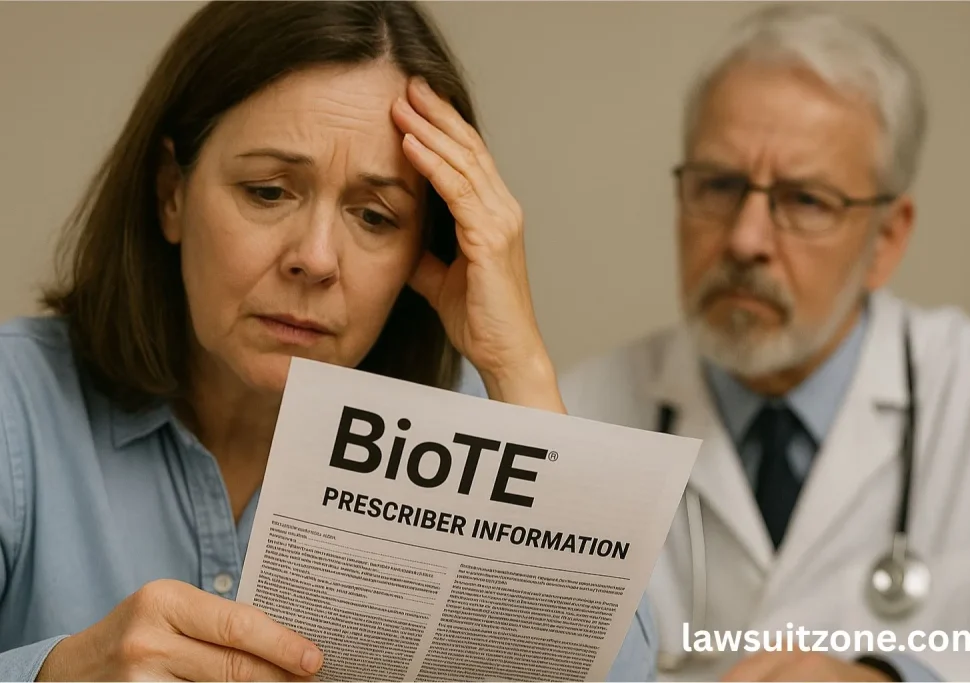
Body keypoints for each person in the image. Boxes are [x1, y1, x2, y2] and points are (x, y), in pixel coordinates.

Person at [0, 2, 656, 680]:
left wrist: (518, 364)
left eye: (375, 215)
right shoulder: (16, 404)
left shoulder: (464, 432)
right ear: (172, 193)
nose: (315, 258)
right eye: (268, 191)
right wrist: (55, 672)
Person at [559, 4, 970, 682]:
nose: (746, 239)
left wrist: (889, 677)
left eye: (804, 200)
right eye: (719, 185)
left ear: (886, 239)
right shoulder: (574, 412)